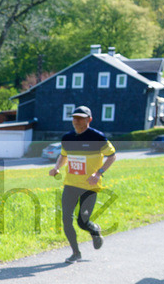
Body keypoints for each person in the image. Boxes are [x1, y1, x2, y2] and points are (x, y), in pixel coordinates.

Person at [48, 105, 115, 263]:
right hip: (70, 184)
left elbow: (112, 156)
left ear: (89, 119)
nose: (76, 121)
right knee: (66, 220)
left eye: (80, 118)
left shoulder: (98, 137)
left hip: (90, 186)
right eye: (74, 118)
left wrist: (98, 173)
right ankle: (75, 253)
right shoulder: (67, 138)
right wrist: (57, 167)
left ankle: (94, 230)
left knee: (82, 221)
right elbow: (63, 156)